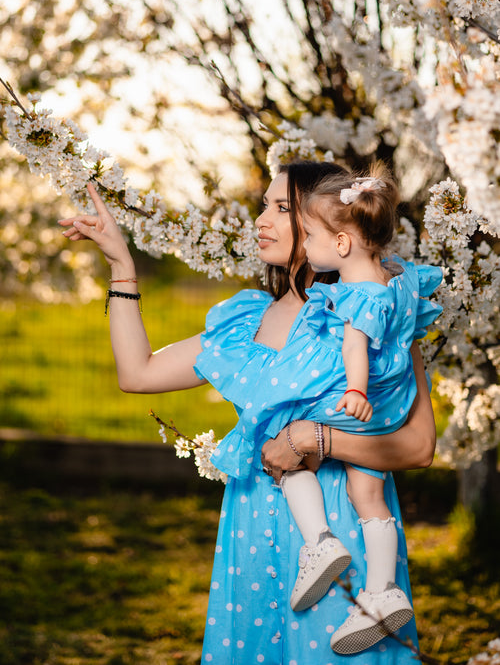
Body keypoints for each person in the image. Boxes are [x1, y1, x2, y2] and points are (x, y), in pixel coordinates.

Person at [59, 160, 437, 664]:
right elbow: (138, 373)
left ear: (335, 227)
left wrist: (313, 439)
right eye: (264, 205)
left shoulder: (379, 309)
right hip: (252, 531)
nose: (262, 219)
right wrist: (122, 267)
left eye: (283, 208)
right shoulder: (248, 320)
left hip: (344, 526)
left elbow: (418, 447)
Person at [257, 162, 442, 654]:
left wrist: (353, 392)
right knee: (370, 498)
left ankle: (319, 541)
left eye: (312, 234)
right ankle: (382, 592)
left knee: (289, 451)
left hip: (358, 405)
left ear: (341, 245)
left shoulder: (352, 299)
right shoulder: (400, 279)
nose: (308, 243)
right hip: (389, 410)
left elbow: (354, 351)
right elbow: (424, 291)